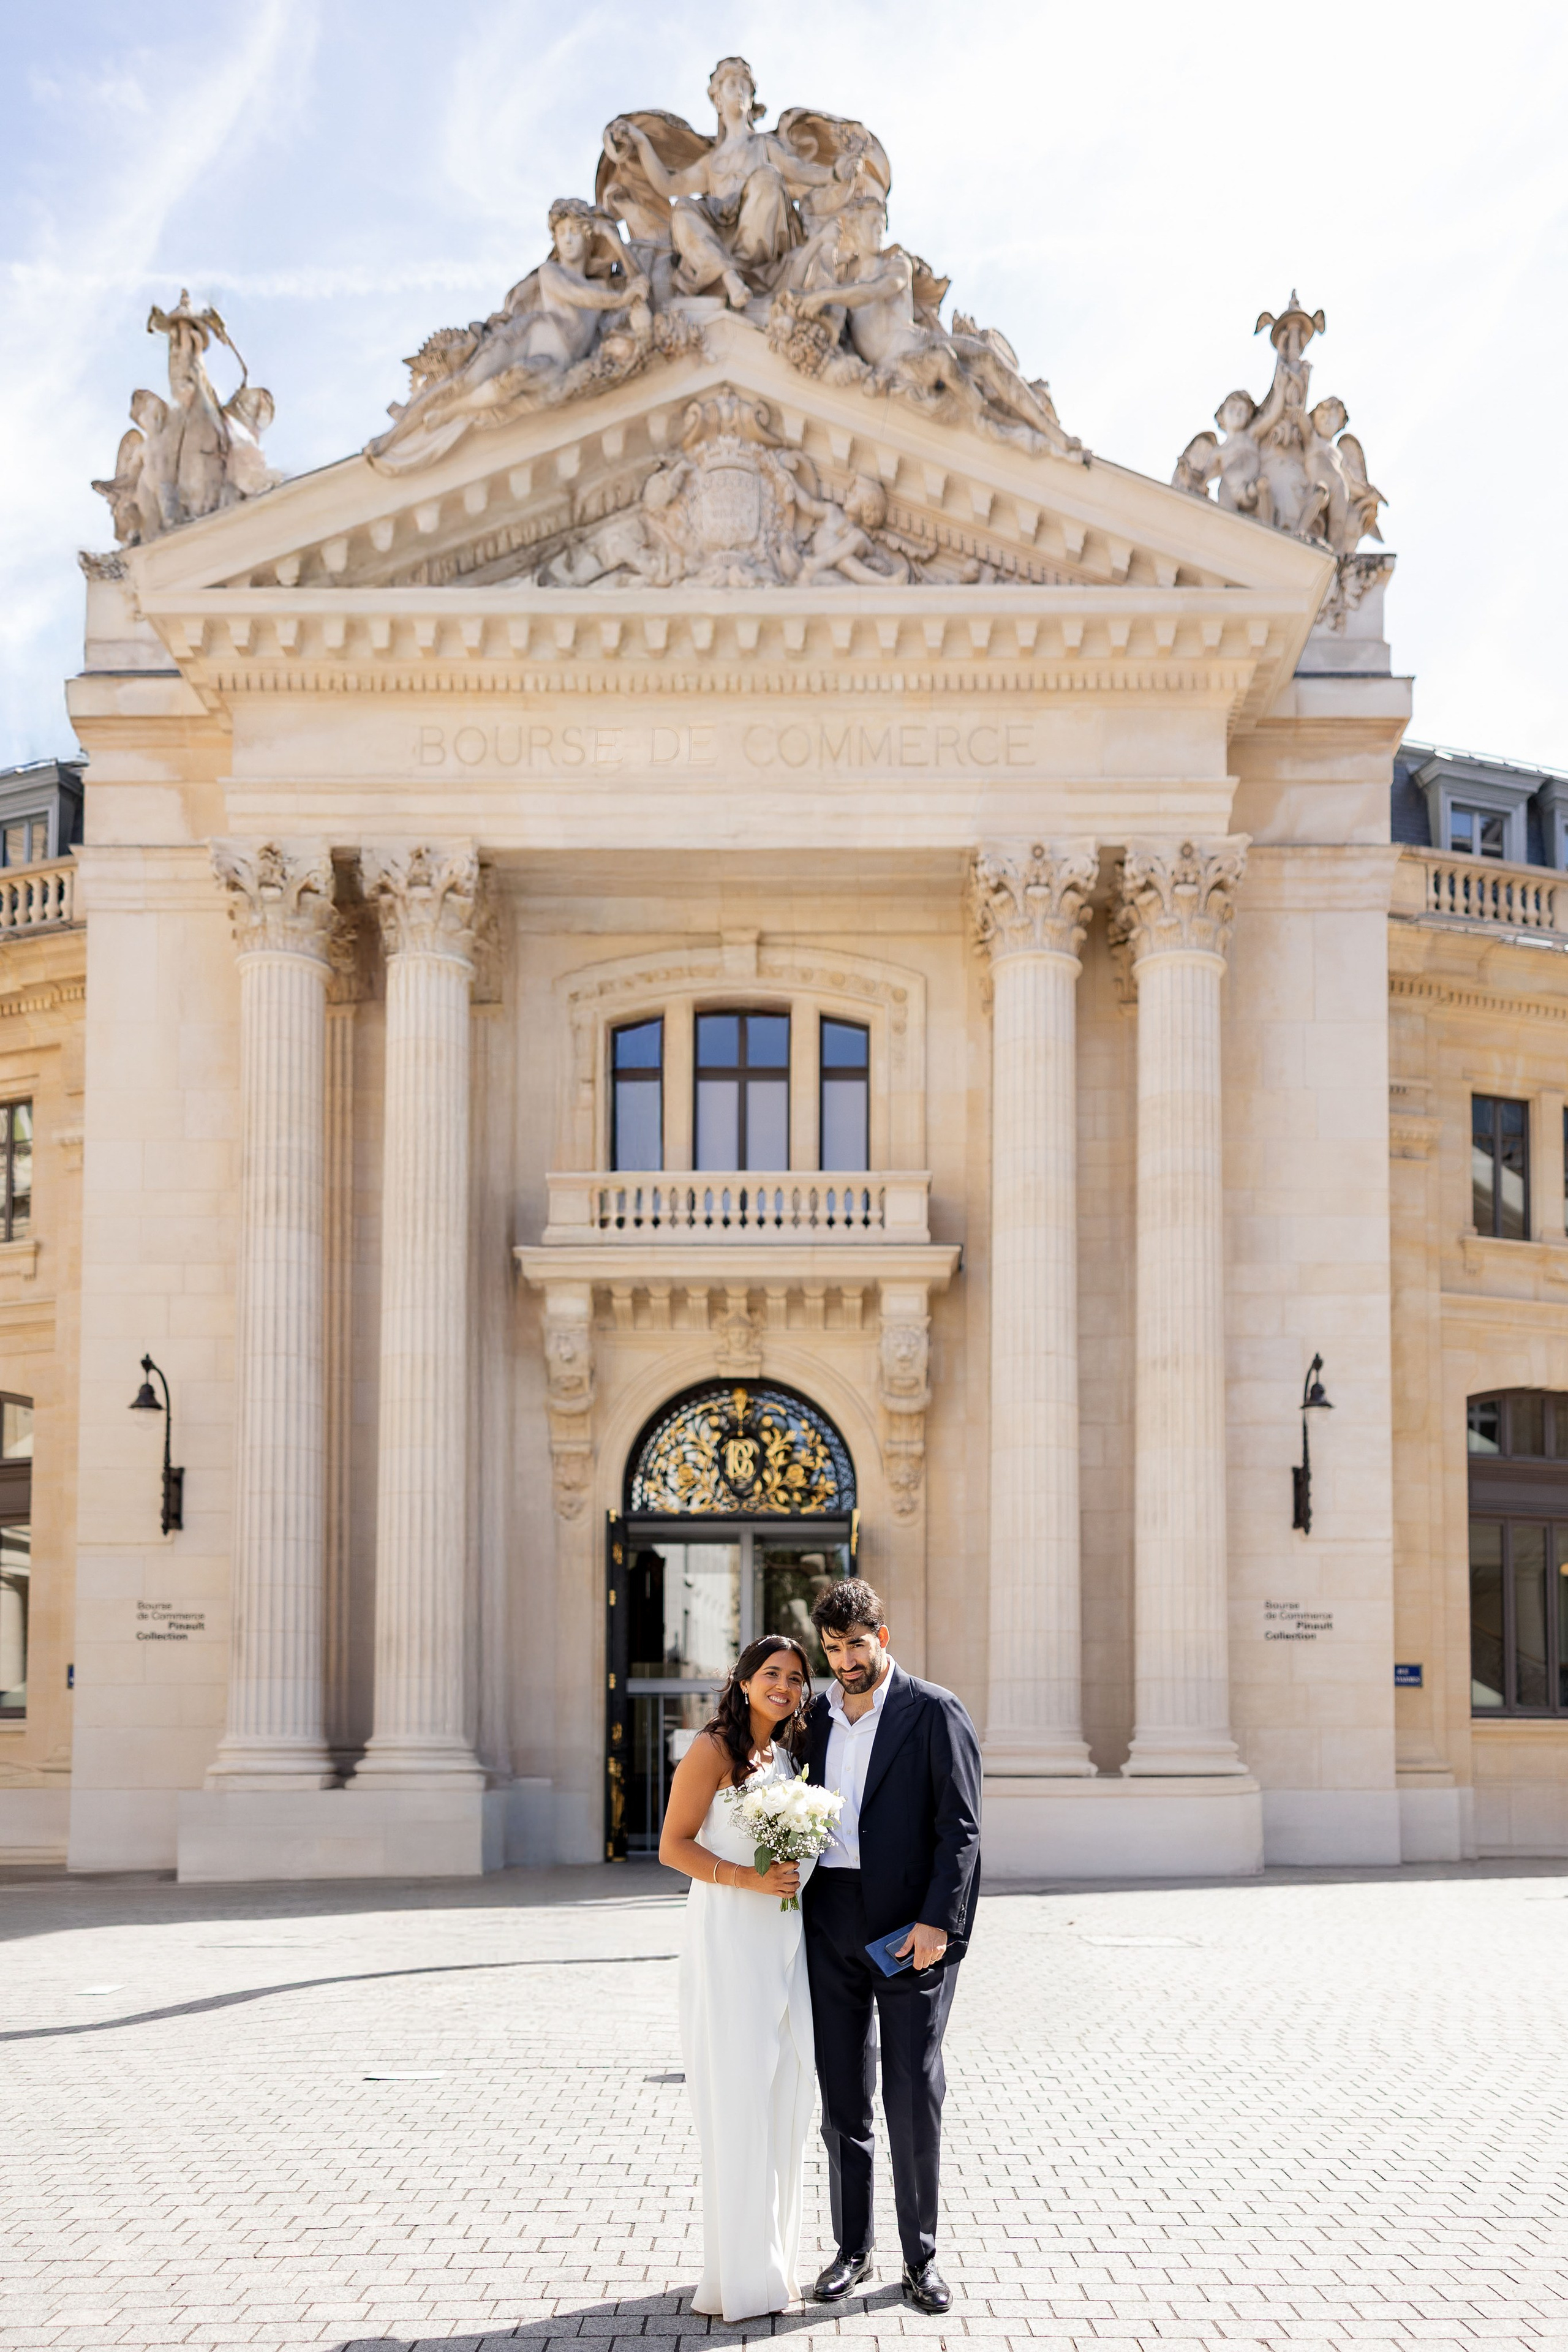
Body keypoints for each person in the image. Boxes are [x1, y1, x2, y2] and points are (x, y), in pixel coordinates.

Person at [802, 1578, 982, 2315]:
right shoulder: (812, 1718)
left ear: (882, 1636)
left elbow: (960, 1828)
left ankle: (920, 2258)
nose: (846, 1660)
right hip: (828, 1920)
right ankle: (851, 2248)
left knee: (911, 2095)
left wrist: (939, 1922)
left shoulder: (933, 1710)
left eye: (857, 1644)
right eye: (833, 1647)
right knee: (843, 2096)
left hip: (909, 1930)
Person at [658, 1634, 819, 2321]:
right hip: (729, 1938)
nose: (785, 1686)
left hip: (784, 1937)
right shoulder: (712, 1749)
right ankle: (737, 2277)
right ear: (746, 1681)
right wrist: (745, 1879)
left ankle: (771, 2262)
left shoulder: (787, 1755)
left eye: (796, 1678)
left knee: (785, 2095)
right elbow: (672, 1846)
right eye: (772, 1674)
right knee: (739, 2097)